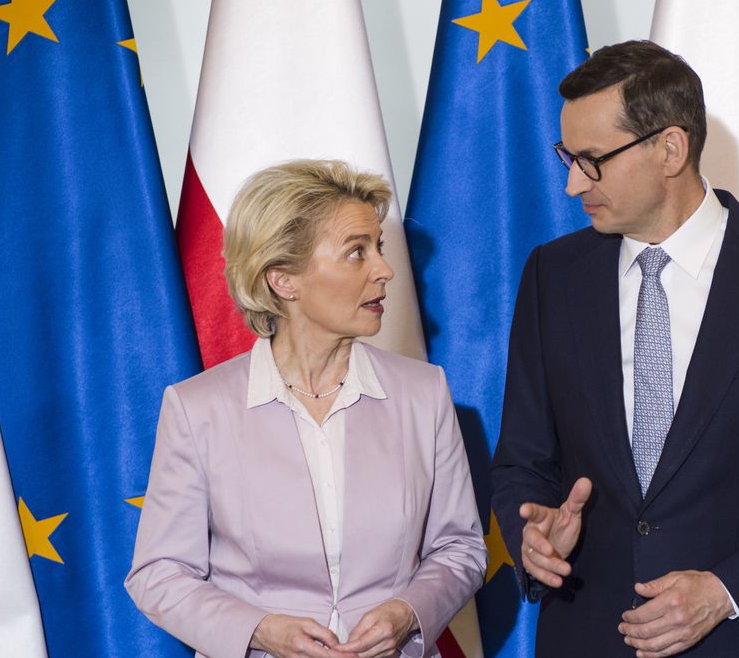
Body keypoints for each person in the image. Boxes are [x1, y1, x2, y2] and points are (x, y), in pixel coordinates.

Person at [490, 40, 739, 657]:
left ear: (671, 149)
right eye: (567, 158)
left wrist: (725, 592)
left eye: (592, 161)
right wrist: (533, 535)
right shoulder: (552, 276)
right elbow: (521, 459)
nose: (572, 185)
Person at [126, 160, 486, 658]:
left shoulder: (424, 393)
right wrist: (258, 630)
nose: (385, 270)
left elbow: (461, 547)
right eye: (356, 252)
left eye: (378, 248)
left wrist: (408, 613)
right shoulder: (197, 408)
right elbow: (158, 573)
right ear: (283, 280)